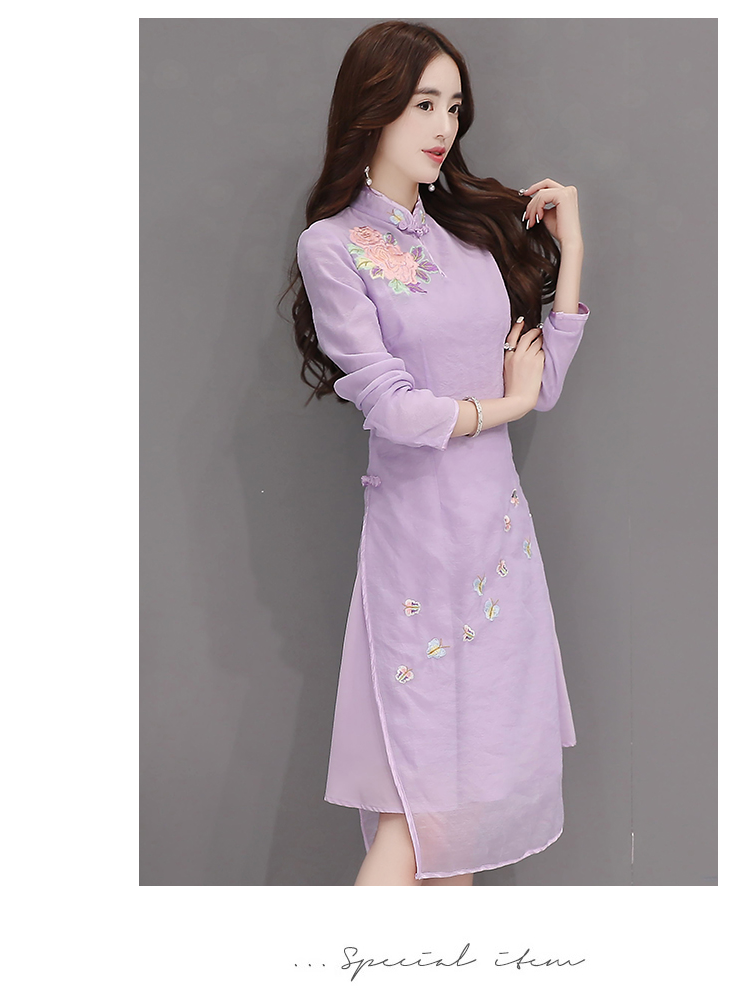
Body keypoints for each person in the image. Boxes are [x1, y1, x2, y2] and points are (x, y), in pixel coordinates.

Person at [285, 20, 589, 886]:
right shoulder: (332, 245)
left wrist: (571, 250)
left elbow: (540, 383)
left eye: (453, 107)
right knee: (415, 815)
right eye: (423, 104)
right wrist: (506, 405)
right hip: (418, 542)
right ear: (372, 108)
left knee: (459, 821)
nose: (443, 126)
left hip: (497, 541)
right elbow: (391, 406)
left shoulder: (470, 240)